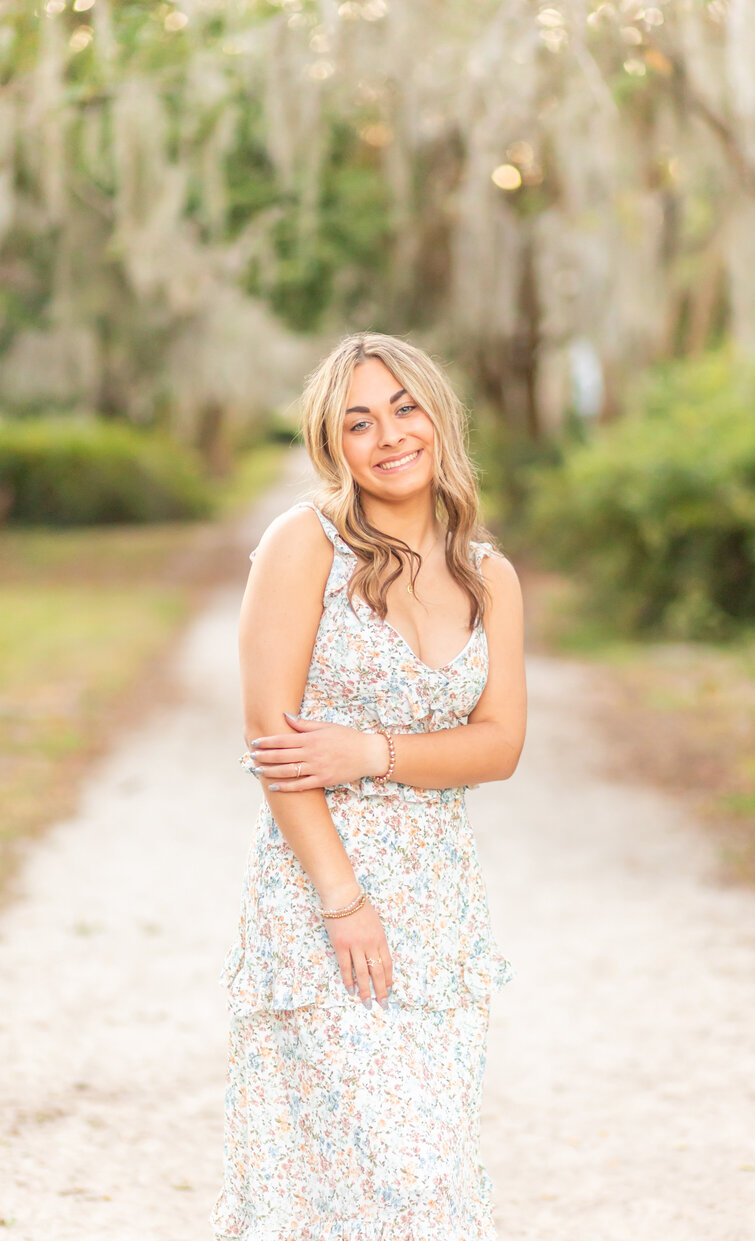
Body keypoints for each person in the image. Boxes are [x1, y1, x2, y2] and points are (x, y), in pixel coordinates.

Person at [210, 331, 527, 1240]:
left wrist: (372, 751)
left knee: (431, 1176)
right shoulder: (302, 545)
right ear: (331, 446)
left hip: (443, 911)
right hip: (321, 904)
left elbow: (500, 743)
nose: (388, 435)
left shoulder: (489, 575)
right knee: (367, 1182)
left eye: (404, 407)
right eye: (358, 421)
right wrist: (344, 901)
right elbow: (273, 737)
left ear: (439, 418)